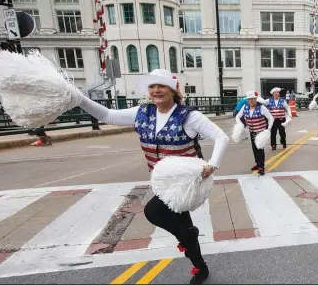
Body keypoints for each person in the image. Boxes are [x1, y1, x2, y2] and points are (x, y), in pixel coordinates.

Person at [78, 69, 229, 284]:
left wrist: (213, 165)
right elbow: (107, 115)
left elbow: (221, 137)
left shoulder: (189, 116)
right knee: (182, 224)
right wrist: (78, 98)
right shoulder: (143, 112)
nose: (156, 91)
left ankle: (190, 236)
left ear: (173, 90)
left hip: (185, 183)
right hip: (161, 182)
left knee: (153, 211)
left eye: (161, 86)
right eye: (152, 87)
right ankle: (199, 266)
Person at [235, 91, 274, 175]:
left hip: (260, 132)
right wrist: (240, 124)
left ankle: (261, 167)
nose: (251, 101)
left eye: (252, 99)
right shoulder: (245, 107)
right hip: (252, 131)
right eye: (249, 99)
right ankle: (257, 163)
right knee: (254, 148)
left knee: (260, 148)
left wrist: (268, 129)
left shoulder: (261, 107)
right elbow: (238, 116)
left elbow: (271, 118)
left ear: (256, 99)